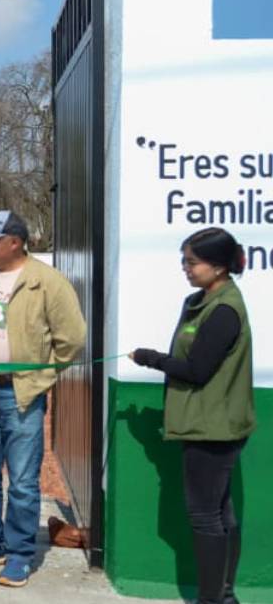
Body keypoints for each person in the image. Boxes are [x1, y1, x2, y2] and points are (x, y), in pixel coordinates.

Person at [0, 210, 85, 587]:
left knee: (23, 482)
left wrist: (41, 376)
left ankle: (19, 554)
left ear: (15, 241)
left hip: (20, 393)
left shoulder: (47, 282)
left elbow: (71, 339)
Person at [131, 227, 256, 604]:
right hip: (204, 423)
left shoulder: (223, 311)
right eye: (183, 260)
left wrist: (150, 357)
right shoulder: (200, 302)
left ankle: (212, 598)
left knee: (206, 516)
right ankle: (223, 595)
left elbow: (198, 369)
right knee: (219, 512)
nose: (185, 268)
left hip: (213, 428)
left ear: (218, 267)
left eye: (192, 261)